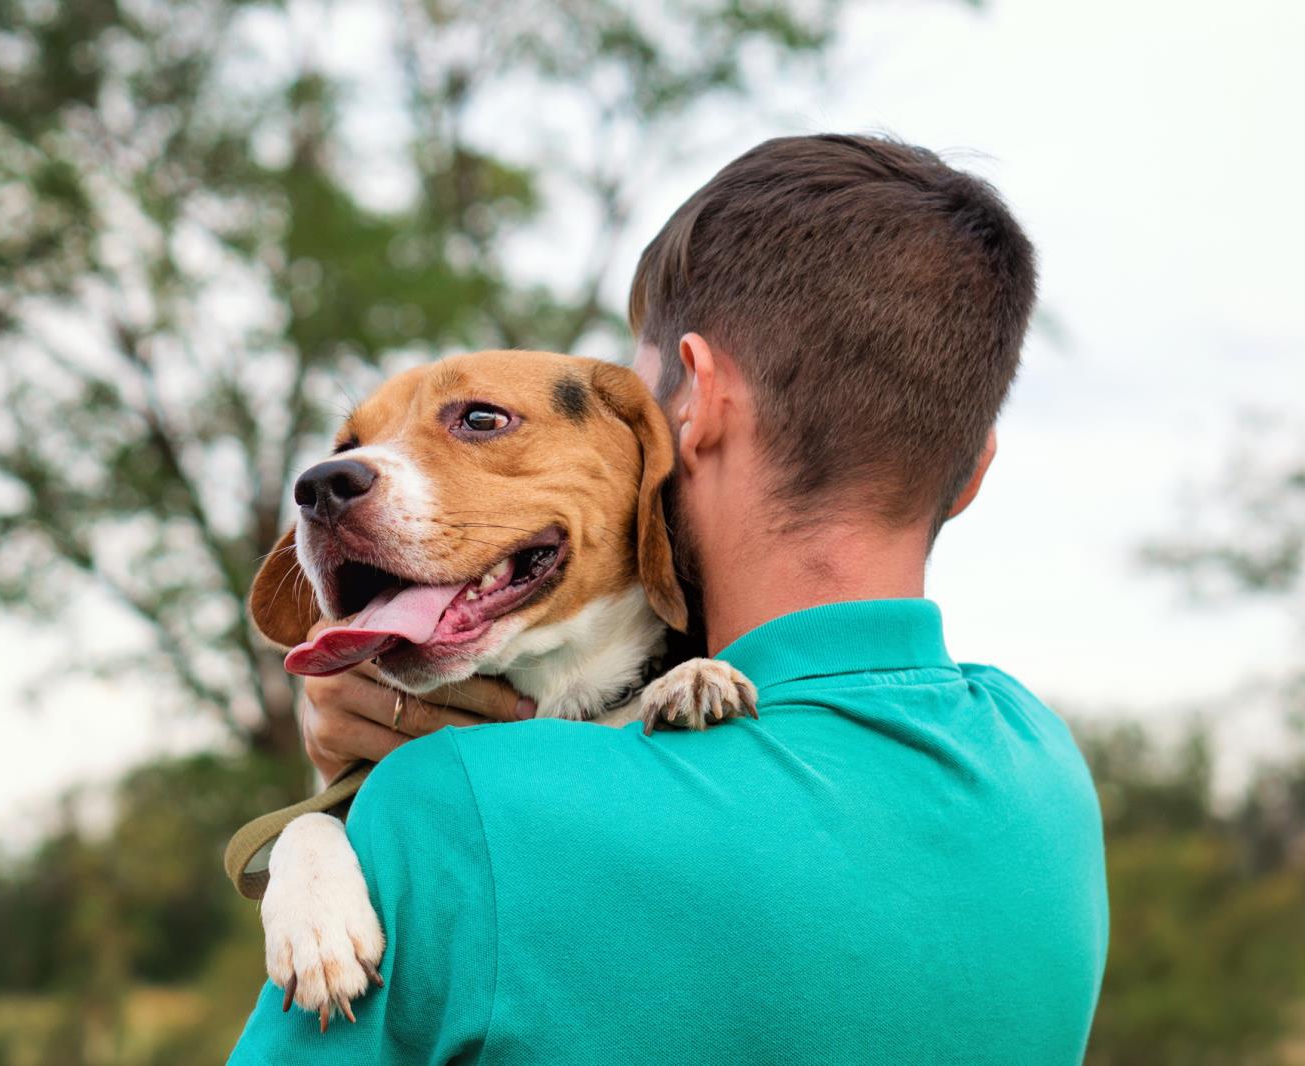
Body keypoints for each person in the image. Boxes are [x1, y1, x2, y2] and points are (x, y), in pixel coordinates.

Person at [226, 134, 1108, 1064]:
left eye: (647, 396)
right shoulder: (1043, 762)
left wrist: (392, 800)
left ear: (699, 403)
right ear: (970, 473)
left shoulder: (454, 809)